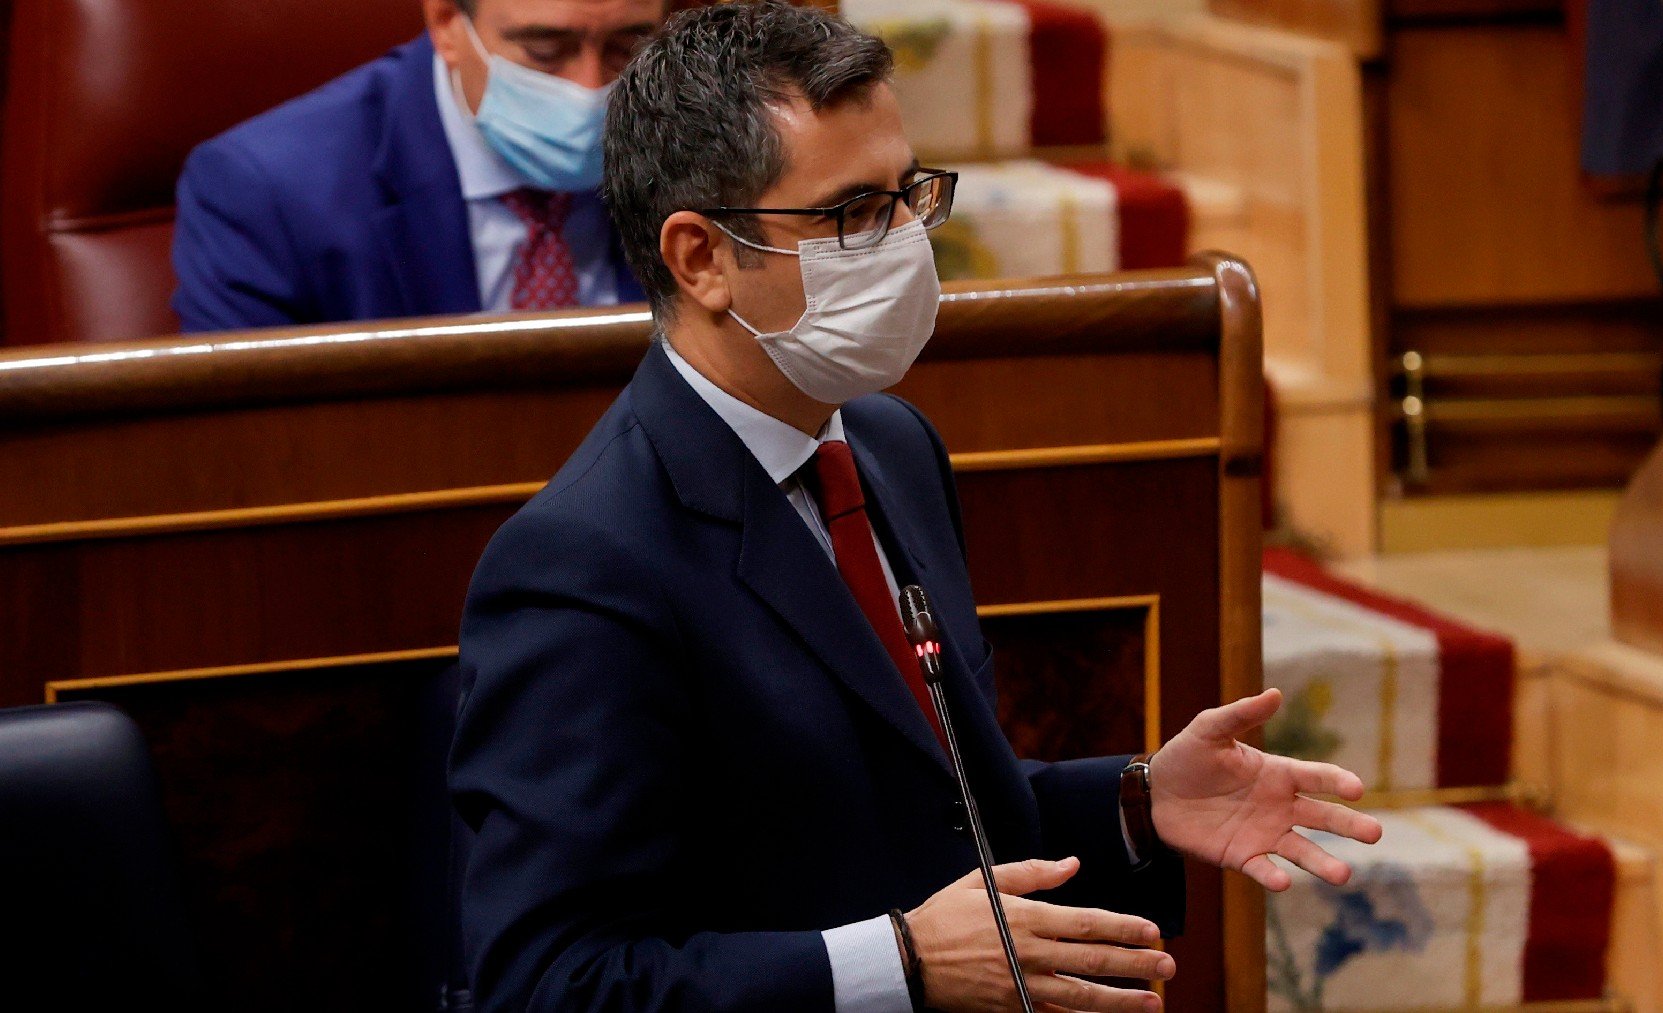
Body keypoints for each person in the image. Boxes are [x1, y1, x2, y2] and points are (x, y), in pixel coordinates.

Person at [449, 4, 1384, 1010]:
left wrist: (1137, 801)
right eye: (851, 212)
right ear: (699, 257)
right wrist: (897, 963)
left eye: (907, 196)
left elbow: (926, 808)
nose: (901, 241)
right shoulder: (583, 561)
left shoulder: (891, 445)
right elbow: (548, 980)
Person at [169, 0, 661, 333]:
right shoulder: (263, 191)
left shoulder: (707, 147)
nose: (589, 86)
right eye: (545, 51)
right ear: (446, 23)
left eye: (627, 47)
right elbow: (247, 452)